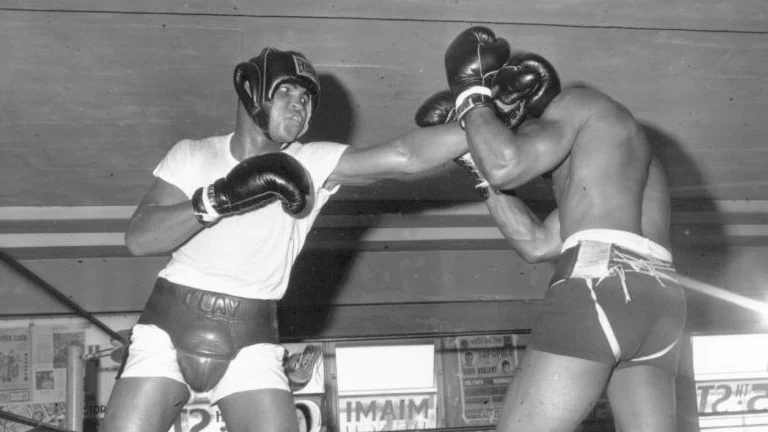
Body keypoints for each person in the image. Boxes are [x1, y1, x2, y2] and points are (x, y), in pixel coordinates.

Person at [102, 47, 472, 432]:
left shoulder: (308, 161)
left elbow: (404, 156)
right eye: (287, 92)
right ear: (252, 90)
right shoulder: (193, 155)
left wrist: (481, 116)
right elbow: (139, 239)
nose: (300, 106)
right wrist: (219, 199)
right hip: (167, 326)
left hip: (252, 338)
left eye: (306, 98)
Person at [427, 26, 687, 431]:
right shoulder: (612, 163)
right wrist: (478, 173)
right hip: (661, 303)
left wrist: (469, 95)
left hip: (601, 282)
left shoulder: (574, 105)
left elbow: (506, 164)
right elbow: (536, 243)